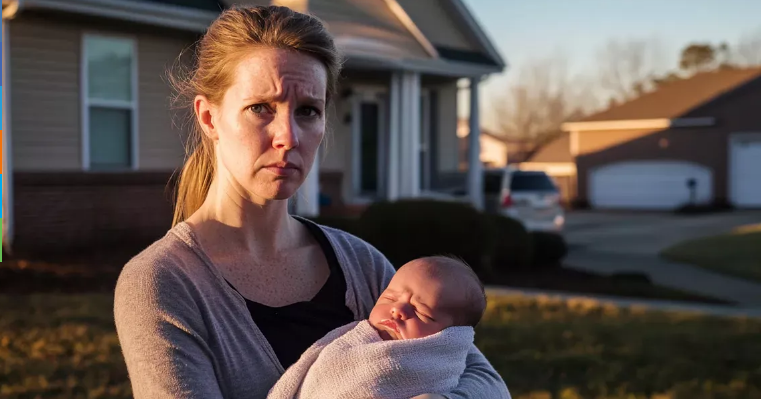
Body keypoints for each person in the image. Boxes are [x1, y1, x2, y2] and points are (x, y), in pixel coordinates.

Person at [114, 5, 510, 399]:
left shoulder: (363, 266)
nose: (289, 136)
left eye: (307, 111)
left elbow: (486, 383)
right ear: (209, 117)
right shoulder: (161, 283)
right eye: (260, 108)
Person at [268, 256, 495, 399]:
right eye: (389, 298)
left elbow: (491, 385)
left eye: (421, 312)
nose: (397, 310)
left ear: (450, 338)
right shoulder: (350, 340)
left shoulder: (435, 363)